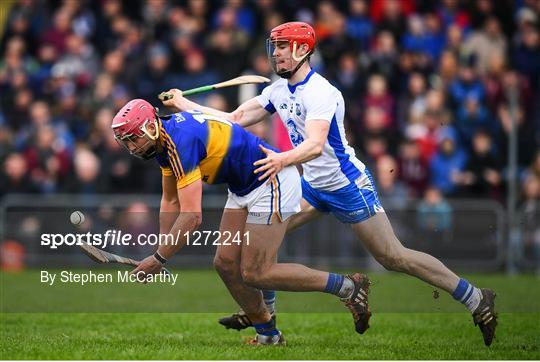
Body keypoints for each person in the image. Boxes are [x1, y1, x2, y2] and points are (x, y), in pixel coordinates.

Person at [162, 21, 498, 346]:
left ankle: (475, 297)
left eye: (281, 47)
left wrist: (281, 159)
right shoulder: (277, 90)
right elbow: (234, 119)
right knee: (260, 239)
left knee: (393, 257)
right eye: (274, 47)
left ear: (301, 49)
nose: (275, 54)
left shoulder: (321, 92)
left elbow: (316, 144)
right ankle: (265, 314)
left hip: (346, 186)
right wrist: (184, 105)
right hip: (311, 185)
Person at [111, 98, 370, 345]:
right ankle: (268, 334)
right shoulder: (162, 143)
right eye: (127, 142)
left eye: (134, 138)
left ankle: (347, 287)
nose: (132, 148)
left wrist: (159, 258)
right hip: (242, 187)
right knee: (225, 263)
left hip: (270, 179)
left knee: (257, 271)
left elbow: (192, 216)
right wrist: (162, 246)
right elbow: (170, 202)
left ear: (149, 125)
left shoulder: (180, 141)